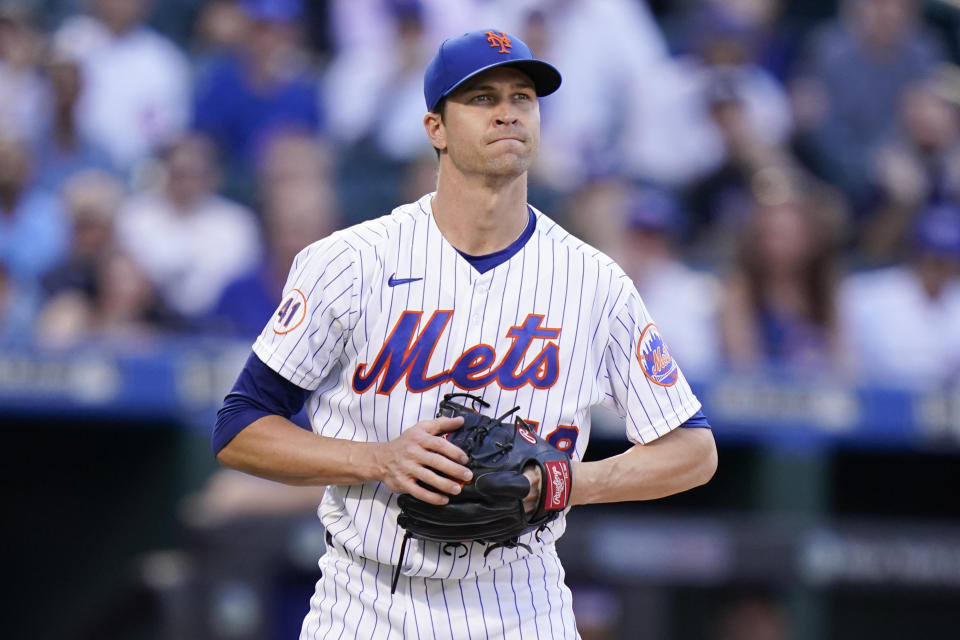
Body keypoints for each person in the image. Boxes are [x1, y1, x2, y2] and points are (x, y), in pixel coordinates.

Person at [213, 29, 717, 638]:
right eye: (481, 98)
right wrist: (376, 459)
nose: (507, 111)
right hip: (367, 603)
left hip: (522, 603)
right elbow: (240, 427)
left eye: (522, 97)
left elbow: (692, 452)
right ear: (436, 129)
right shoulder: (349, 262)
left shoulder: (594, 281)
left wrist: (562, 482)